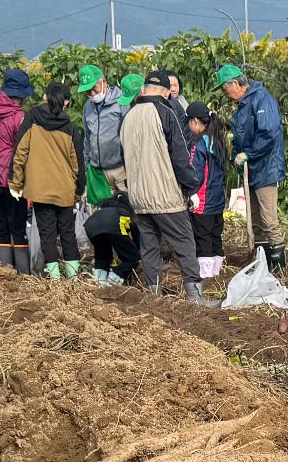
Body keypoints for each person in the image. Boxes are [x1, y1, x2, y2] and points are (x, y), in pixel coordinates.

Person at [122, 71, 217, 304]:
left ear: (144, 89)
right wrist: (191, 188)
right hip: (164, 195)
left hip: (138, 197)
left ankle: (153, 295)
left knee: (150, 246)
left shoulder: (129, 116)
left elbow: (123, 156)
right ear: (166, 93)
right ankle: (196, 297)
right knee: (185, 241)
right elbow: (180, 156)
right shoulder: (165, 113)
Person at [11, 79, 85, 279]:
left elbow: (20, 152)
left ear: (45, 97)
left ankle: (55, 281)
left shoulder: (33, 119)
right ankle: (73, 279)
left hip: (40, 190)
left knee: (47, 236)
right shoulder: (70, 127)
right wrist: (78, 191)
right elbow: (78, 164)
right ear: (66, 102)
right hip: (65, 190)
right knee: (68, 235)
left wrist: (15, 183)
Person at [218, 64, 287, 272]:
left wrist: (249, 154)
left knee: (268, 219)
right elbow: (240, 137)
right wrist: (235, 158)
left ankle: (279, 269)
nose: (225, 93)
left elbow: (268, 133)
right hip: (252, 169)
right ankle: (261, 264)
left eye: (225, 88)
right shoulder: (243, 104)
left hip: (266, 167)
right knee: (255, 221)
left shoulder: (261, 99)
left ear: (236, 84)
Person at [0, 66, 35, 271]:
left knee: (0, 229)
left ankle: (3, 273)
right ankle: (24, 276)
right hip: (13, 180)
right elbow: (24, 150)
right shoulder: (19, 117)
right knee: (18, 228)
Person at [185, 102, 229, 283]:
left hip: (202, 201)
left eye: (188, 122)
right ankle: (217, 274)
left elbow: (195, 172)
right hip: (217, 200)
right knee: (215, 235)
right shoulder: (217, 140)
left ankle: (205, 277)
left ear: (195, 121)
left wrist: (191, 192)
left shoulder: (198, 144)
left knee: (201, 238)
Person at [80, 64, 127, 204]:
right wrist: (88, 166)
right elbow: (88, 139)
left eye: (94, 88)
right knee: (102, 215)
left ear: (104, 82)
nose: (92, 94)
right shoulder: (87, 107)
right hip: (98, 172)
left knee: (128, 212)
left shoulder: (121, 102)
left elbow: (129, 135)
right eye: (88, 91)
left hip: (120, 169)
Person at [85, 190, 139, 285]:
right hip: (113, 226)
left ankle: (99, 280)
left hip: (91, 227)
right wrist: (138, 250)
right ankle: (114, 278)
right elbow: (136, 234)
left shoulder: (104, 210)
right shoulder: (125, 212)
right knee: (132, 257)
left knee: (103, 256)